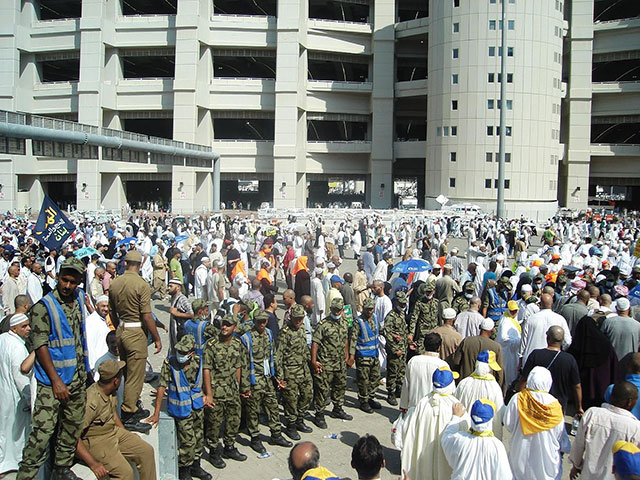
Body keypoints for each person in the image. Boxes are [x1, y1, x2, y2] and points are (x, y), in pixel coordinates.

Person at [17, 257, 90, 480]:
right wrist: (56, 380)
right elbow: (40, 345)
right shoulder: (43, 307)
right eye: (64, 280)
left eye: (72, 282)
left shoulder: (78, 298)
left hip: (76, 377)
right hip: (52, 383)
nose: (67, 286)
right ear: (57, 277)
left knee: (72, 425)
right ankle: (26, 474)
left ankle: (62, 468)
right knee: (42, 433)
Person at [75, 359, 156, 480]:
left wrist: (126, 435)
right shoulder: (91, 401)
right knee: (125, 474)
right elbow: (72, 436)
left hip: (112, 432)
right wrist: (93, 464)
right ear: (115, 381)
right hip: (96, 440)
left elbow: (111, 413)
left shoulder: (110, 391)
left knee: (146, 451)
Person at [109, 250, 161, 431]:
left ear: (125, 263)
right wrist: (156, 337)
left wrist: (118, 328)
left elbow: (111, 311)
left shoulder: (115, 283)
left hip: (122, 330)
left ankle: (133, 406)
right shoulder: (141, 285)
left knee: (125, 372)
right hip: (135, 331)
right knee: (135, 377)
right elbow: (147, 316)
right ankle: (129, 414)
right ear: (140, 265)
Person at [148, 335, 211, 480]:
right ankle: (185, 472)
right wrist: (156, 412)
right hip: (181, 410)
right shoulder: (170, 363)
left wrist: (208, 395)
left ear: (192, 353)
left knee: (199, 438)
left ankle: (196, 467)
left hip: (196, 408)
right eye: (179, 352)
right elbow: (162, 386)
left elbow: (203, 379)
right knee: (187, 442)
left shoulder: (197, 361)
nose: (180, 355)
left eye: (184, 353)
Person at [503, 366, 571, 480]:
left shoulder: (518, 399)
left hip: (520, 458)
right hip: (546, 464)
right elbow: (560, 436)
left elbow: (508, 424)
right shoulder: (555, 405)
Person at [240, 309, 292, 453]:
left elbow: (273, 356)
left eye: (264, 321)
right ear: (254, 322)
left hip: (268, 378)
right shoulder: (246, 338)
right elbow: (243, 365)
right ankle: (255, 438)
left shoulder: (269, 334)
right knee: (253, 411)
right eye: (259, 322)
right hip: (254, 380)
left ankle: (276, 434)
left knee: (273, 407)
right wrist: (245, 387)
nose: (261, 324)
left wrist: (278, 377)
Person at [201, 314, 247, 469]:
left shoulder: (237, 344)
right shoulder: (211, 345)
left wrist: (240, 387)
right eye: (223, 324)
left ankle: (229, 447)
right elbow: (206, 369)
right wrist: (208, 394)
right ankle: (214, 451)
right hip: (216, 390)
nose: (224, 327)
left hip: (232, 389)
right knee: (214, 423)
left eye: (228, 325)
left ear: (235, 327)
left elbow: (239, 366)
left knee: (234, 420)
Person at [570, 381, 640, 480]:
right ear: (629, 402)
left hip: (588, 475)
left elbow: (578, 445)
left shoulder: (592, 414)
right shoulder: (636, 427)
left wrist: (576, 465)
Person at [402, 367, 461, 480]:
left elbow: (410, 432)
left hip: (424, 460)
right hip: (447, 461)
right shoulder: (456, 406)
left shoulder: (423, 402)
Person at [441, 400, 513, 480]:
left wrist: (455, 417)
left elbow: (446, 437)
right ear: (490, 420)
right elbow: (504, 476)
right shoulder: (496, 446)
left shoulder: (460, 439)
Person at [519, 326, 583, 414]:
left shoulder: (535, 355)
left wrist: (519, 396)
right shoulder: (569, 359)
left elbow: (524, 379)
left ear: (547, 338)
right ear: (562, 340)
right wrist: (579, 407)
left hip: (536, 403)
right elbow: (577, 386)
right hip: (558, 405)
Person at [311, 297, 353, 429]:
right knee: (323, 389)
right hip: (326, 362)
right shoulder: (323, 324)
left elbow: (345, 339)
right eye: (334, 310)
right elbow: (315, 342)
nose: (336, 313)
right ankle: (319, 414)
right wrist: (314, 361)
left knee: (340, 386)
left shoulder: (344, 323)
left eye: (339, 310)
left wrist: (347, 355)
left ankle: (337, 409)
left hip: (340, 363)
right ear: (331, 309)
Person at [276, 304, 314, 440]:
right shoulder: (285, 333)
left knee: (308, 395)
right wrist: (280, 377)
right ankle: (291, 425)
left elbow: (305, 349)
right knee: (290, 400)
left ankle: (300, 419)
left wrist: (312, 362)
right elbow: (278, 356)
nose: (298, 321)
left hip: (303, 369)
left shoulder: (302, 329)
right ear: (291, 318)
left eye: (301, 318)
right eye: (296, 319)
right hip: (290, 371)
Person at [0, 313, 31, 476]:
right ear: (14, 328)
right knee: (15, 431)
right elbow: (20, 376)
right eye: (24, 326)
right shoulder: (17, 347)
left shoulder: (3, 339)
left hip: (3, 392)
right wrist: (28, 399)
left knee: (3, 431)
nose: (28, 329)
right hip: (13, 396)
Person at [569, 312, 619, 410]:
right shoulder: (605, 344)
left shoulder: (577, 346)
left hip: (583, 391)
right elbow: (614, 365)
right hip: (601, 389)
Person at [454, 351, 505, 438]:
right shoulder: (494, 387)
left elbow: (455, 406)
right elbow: (501, 411)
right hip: (487, 435)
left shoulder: (464, 383)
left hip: (464, 435)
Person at [400, 333, 451, 411]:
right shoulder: (442, 365)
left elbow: (406, 385)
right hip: (433, 410)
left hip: (414, 409)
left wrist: (403, 405)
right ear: (439, 348)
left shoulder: (413, 361)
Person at [450, 318, 505, 389]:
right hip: (486, 386)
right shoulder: (496, 347)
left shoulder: (467, 341)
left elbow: (455, 362)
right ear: (492, 330)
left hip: (466, 384)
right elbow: (499, 373)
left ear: (480, 328)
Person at [519, 293, 572, 366]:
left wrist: (521, 358)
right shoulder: (560, 319)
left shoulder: (530, 319)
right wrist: (559, 349)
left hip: (531, 359)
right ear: (552, 304)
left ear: (539, 304)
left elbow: (523, 342)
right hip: (553, 359)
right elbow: (568, 341)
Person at [349, 298, 381, 413]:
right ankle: (363, 401)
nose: (370, 311)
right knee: (363, 380)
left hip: (374, 355)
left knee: (375, 378)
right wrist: (351, 357)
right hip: (363, 356)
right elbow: (353, 340)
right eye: (367, 309)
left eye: (371, 309)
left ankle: (371, 397)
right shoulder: (358, 322)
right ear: (363, 309)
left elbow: (380, 330)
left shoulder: (375, 318)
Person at [382, 291, 409, 406]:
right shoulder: (390, 317)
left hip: (403, 348)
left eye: (404, 304)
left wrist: (408, 341)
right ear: (396, 302)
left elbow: (403, 330)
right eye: (401, 304)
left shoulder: (402, 314)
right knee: (393, 372)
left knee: (401, 371)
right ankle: (391, 393)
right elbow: (387, 334)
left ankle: (399, 390)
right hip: (394, 350)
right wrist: (394, 349)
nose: (403, 306)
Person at [85, 295, 113, 378]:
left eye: (107, 306)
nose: (106, 309)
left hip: (105, 364)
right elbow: (89, 345)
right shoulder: (91, 322)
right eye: (103, 306)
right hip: (97, 367)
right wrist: (93, 368)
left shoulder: (102, 320)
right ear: (96, 306)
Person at [496, 300, 522, 387]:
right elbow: (503, 338)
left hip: (514, 352)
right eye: (512, 311)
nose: (514, 313)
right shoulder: (505, 321)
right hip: (508, 352)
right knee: (508, 373)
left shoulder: (513, 319)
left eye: (515, 311)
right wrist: (518, 341)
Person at [409, 281, 439, 353]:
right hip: (422, 335)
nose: (428, 294)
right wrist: (411, 334)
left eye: (430, 292)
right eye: (427, 292)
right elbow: (414, 319)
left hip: (433, 334)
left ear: (434, 291)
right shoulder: (419, 303)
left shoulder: (436, 303)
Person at [168, 277, 194, 354]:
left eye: (171, 286)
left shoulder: (182, 299)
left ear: (178, 287)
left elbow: (192, 314)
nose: (168, 288)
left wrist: (177, 314)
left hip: (180, 333)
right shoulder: (173, 298)